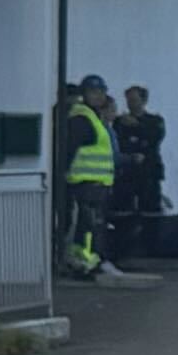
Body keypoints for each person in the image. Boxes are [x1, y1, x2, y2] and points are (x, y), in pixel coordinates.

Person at [60, 79, 115, 282]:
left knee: (90, 226)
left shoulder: (93, 117)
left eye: (101, 91)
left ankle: (86, 261)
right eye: (93, 92)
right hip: (85, 182)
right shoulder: (82, 118)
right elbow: (70, 148)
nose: (99, 96)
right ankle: (84, 263)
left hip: (96, 182)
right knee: (88, 227)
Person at [116, 86, 171, 267]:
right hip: (127, 173)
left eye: (134, 99)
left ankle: (152, 247)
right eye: (128, 100)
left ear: (143, 101)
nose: (131, 104)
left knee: (150, 209)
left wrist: (137, 127)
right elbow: (119, 142)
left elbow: (155, 137)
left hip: (149, 172)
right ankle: (124, 248)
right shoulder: (120, 122)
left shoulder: (154, 121)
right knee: (123, 209)